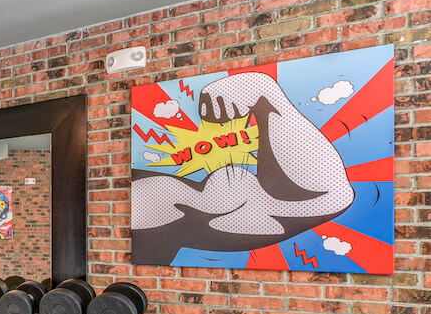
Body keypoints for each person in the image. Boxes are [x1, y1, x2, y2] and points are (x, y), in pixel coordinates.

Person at [131, 72, 354, 265]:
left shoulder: (165, 205)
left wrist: (266, 96)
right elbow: (328, 196)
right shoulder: (182, 221)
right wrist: (267, 99)